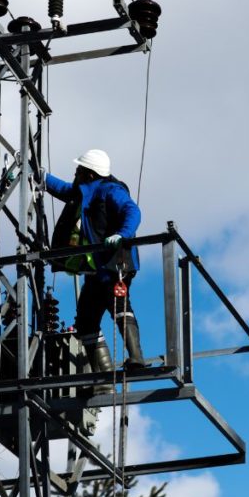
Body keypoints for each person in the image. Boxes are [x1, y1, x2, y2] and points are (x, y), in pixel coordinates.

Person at [46, 149, 146, 379]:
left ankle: (136, 358)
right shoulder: (87, 190)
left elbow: (132, 210)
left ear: (89, 174)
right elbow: (64, 190)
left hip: (115, 264)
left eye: (79, 169)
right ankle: (103, 376)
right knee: (85, 320)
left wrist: (123, 233)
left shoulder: (111, 190)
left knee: (118, 307)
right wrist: (39, 176)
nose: (75, 172)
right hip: (98, 268)